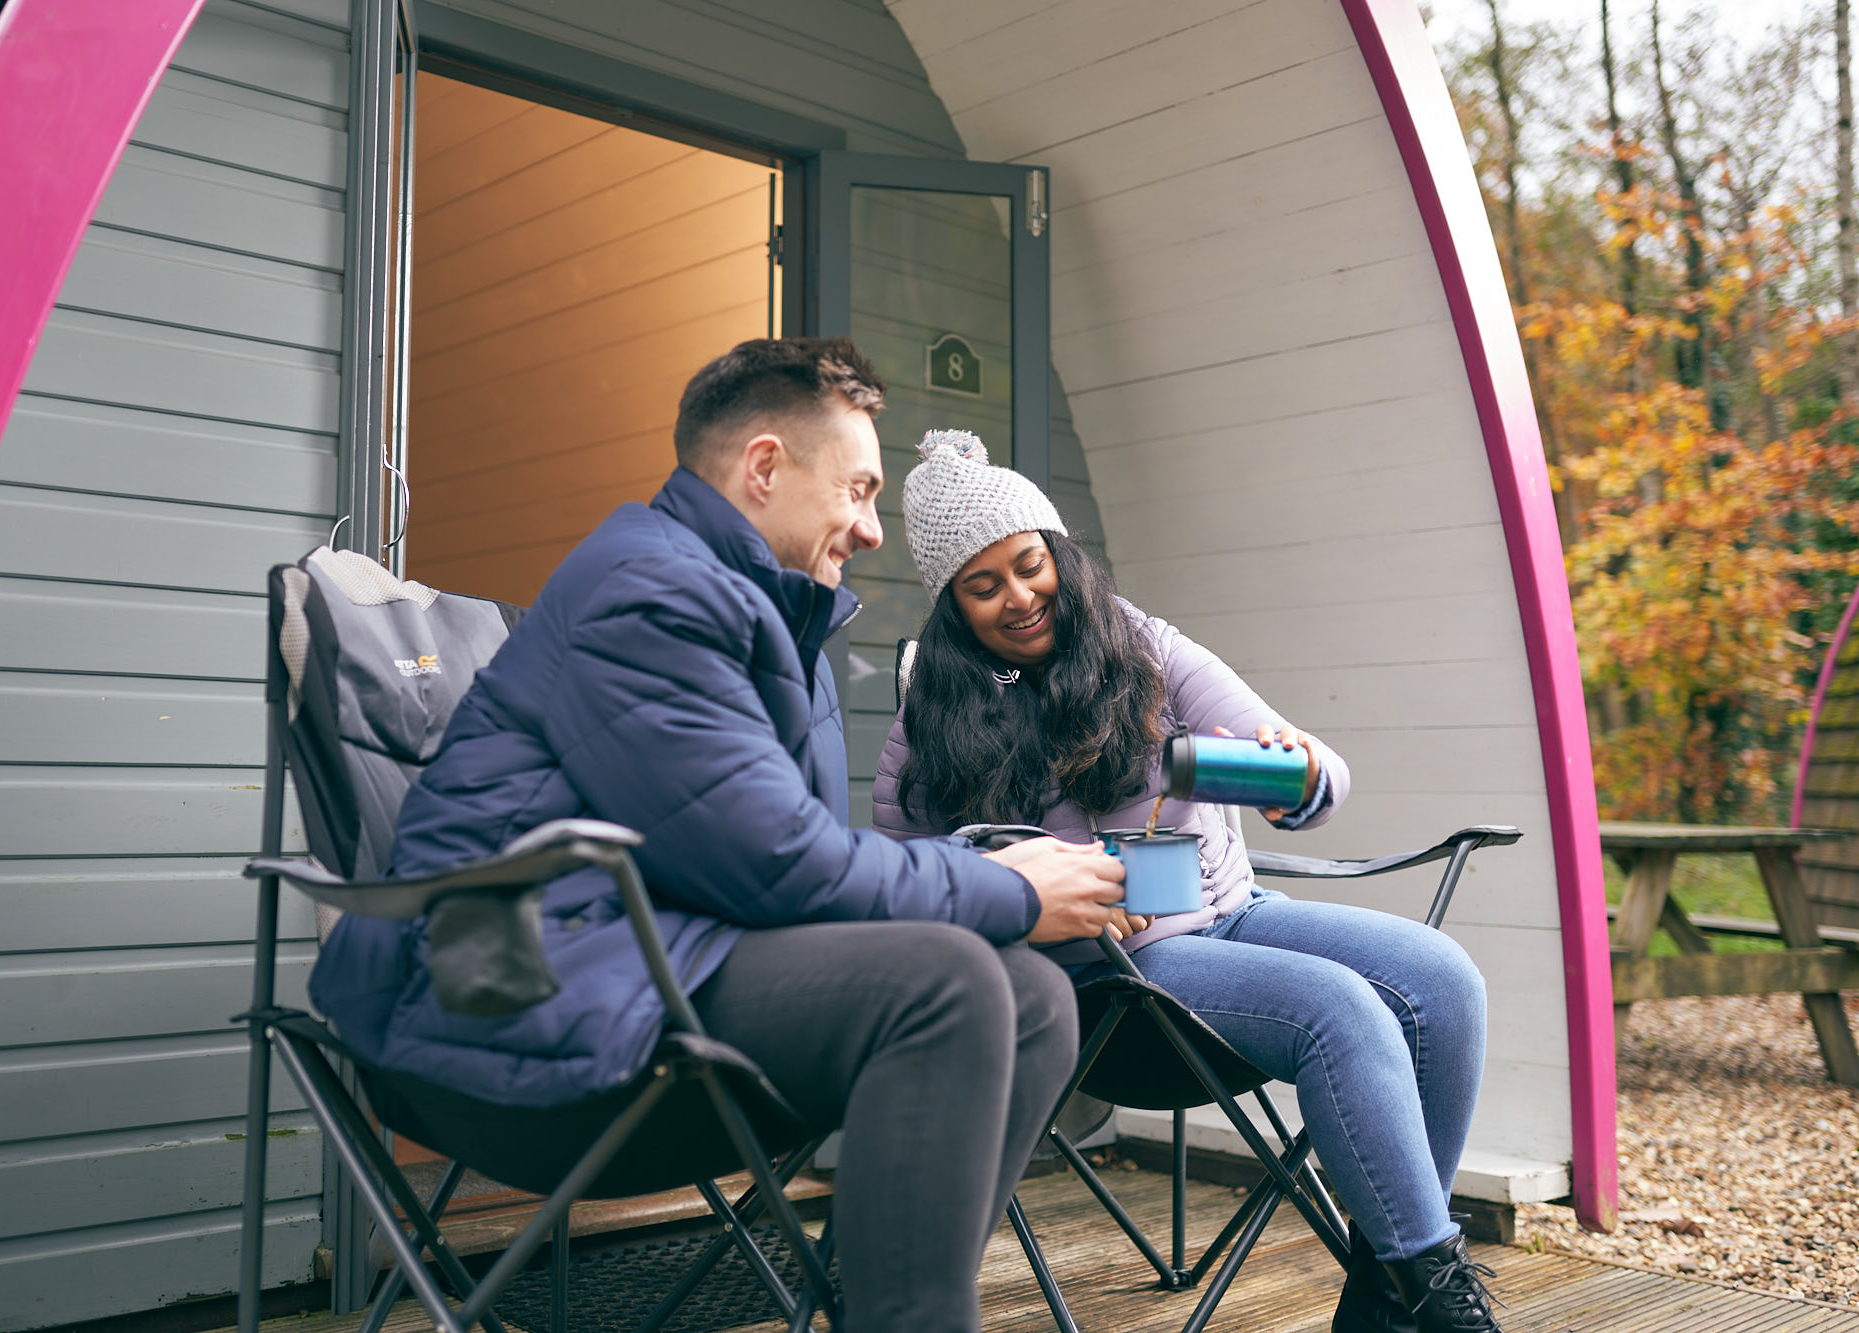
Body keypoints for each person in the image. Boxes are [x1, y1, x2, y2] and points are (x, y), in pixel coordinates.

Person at [308, 339, 1129, 1333]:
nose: (873, 529)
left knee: (1035, 995)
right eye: (861, 490)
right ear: (766, 467)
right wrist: (1007, 888)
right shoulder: (647, 593)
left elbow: (776, 860)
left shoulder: (761, 614)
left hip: (638, 952)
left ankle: (894, 1302)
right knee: (946, 980)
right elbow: (776, 864)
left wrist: (993, 874)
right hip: (498, 986)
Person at [870, 428, 1508, 1333]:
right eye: (984, 586)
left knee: (1443, 977)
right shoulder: (931, 714)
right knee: (1342, 1008)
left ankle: (1386, 1297)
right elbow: (906, 877)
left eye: (1029, 565)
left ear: (1058, 553)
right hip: (1102, 982)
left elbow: (1314, 773)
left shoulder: (1143, 646)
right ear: (952, 606)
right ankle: (1440, 1311)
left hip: (1228, 914)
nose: (1019, 598)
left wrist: (1303, 774)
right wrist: (1031, 902)